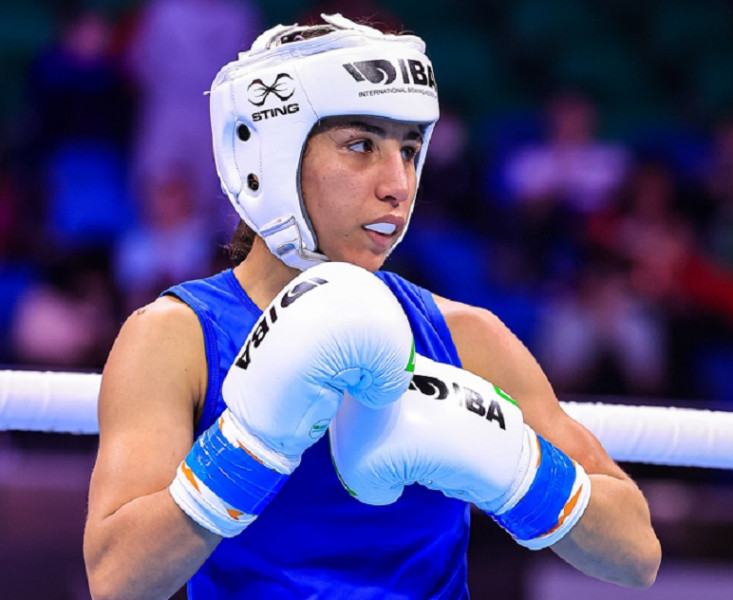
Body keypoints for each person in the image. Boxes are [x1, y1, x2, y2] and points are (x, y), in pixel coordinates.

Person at [83, 14, 660, 599]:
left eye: (409, 151)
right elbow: (116, 580)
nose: (397, 185)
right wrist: (253, 445)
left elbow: (637, 554)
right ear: (275, 155)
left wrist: (517, 467)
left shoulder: (465, 337)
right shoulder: (178, 338)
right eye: (361, 146)